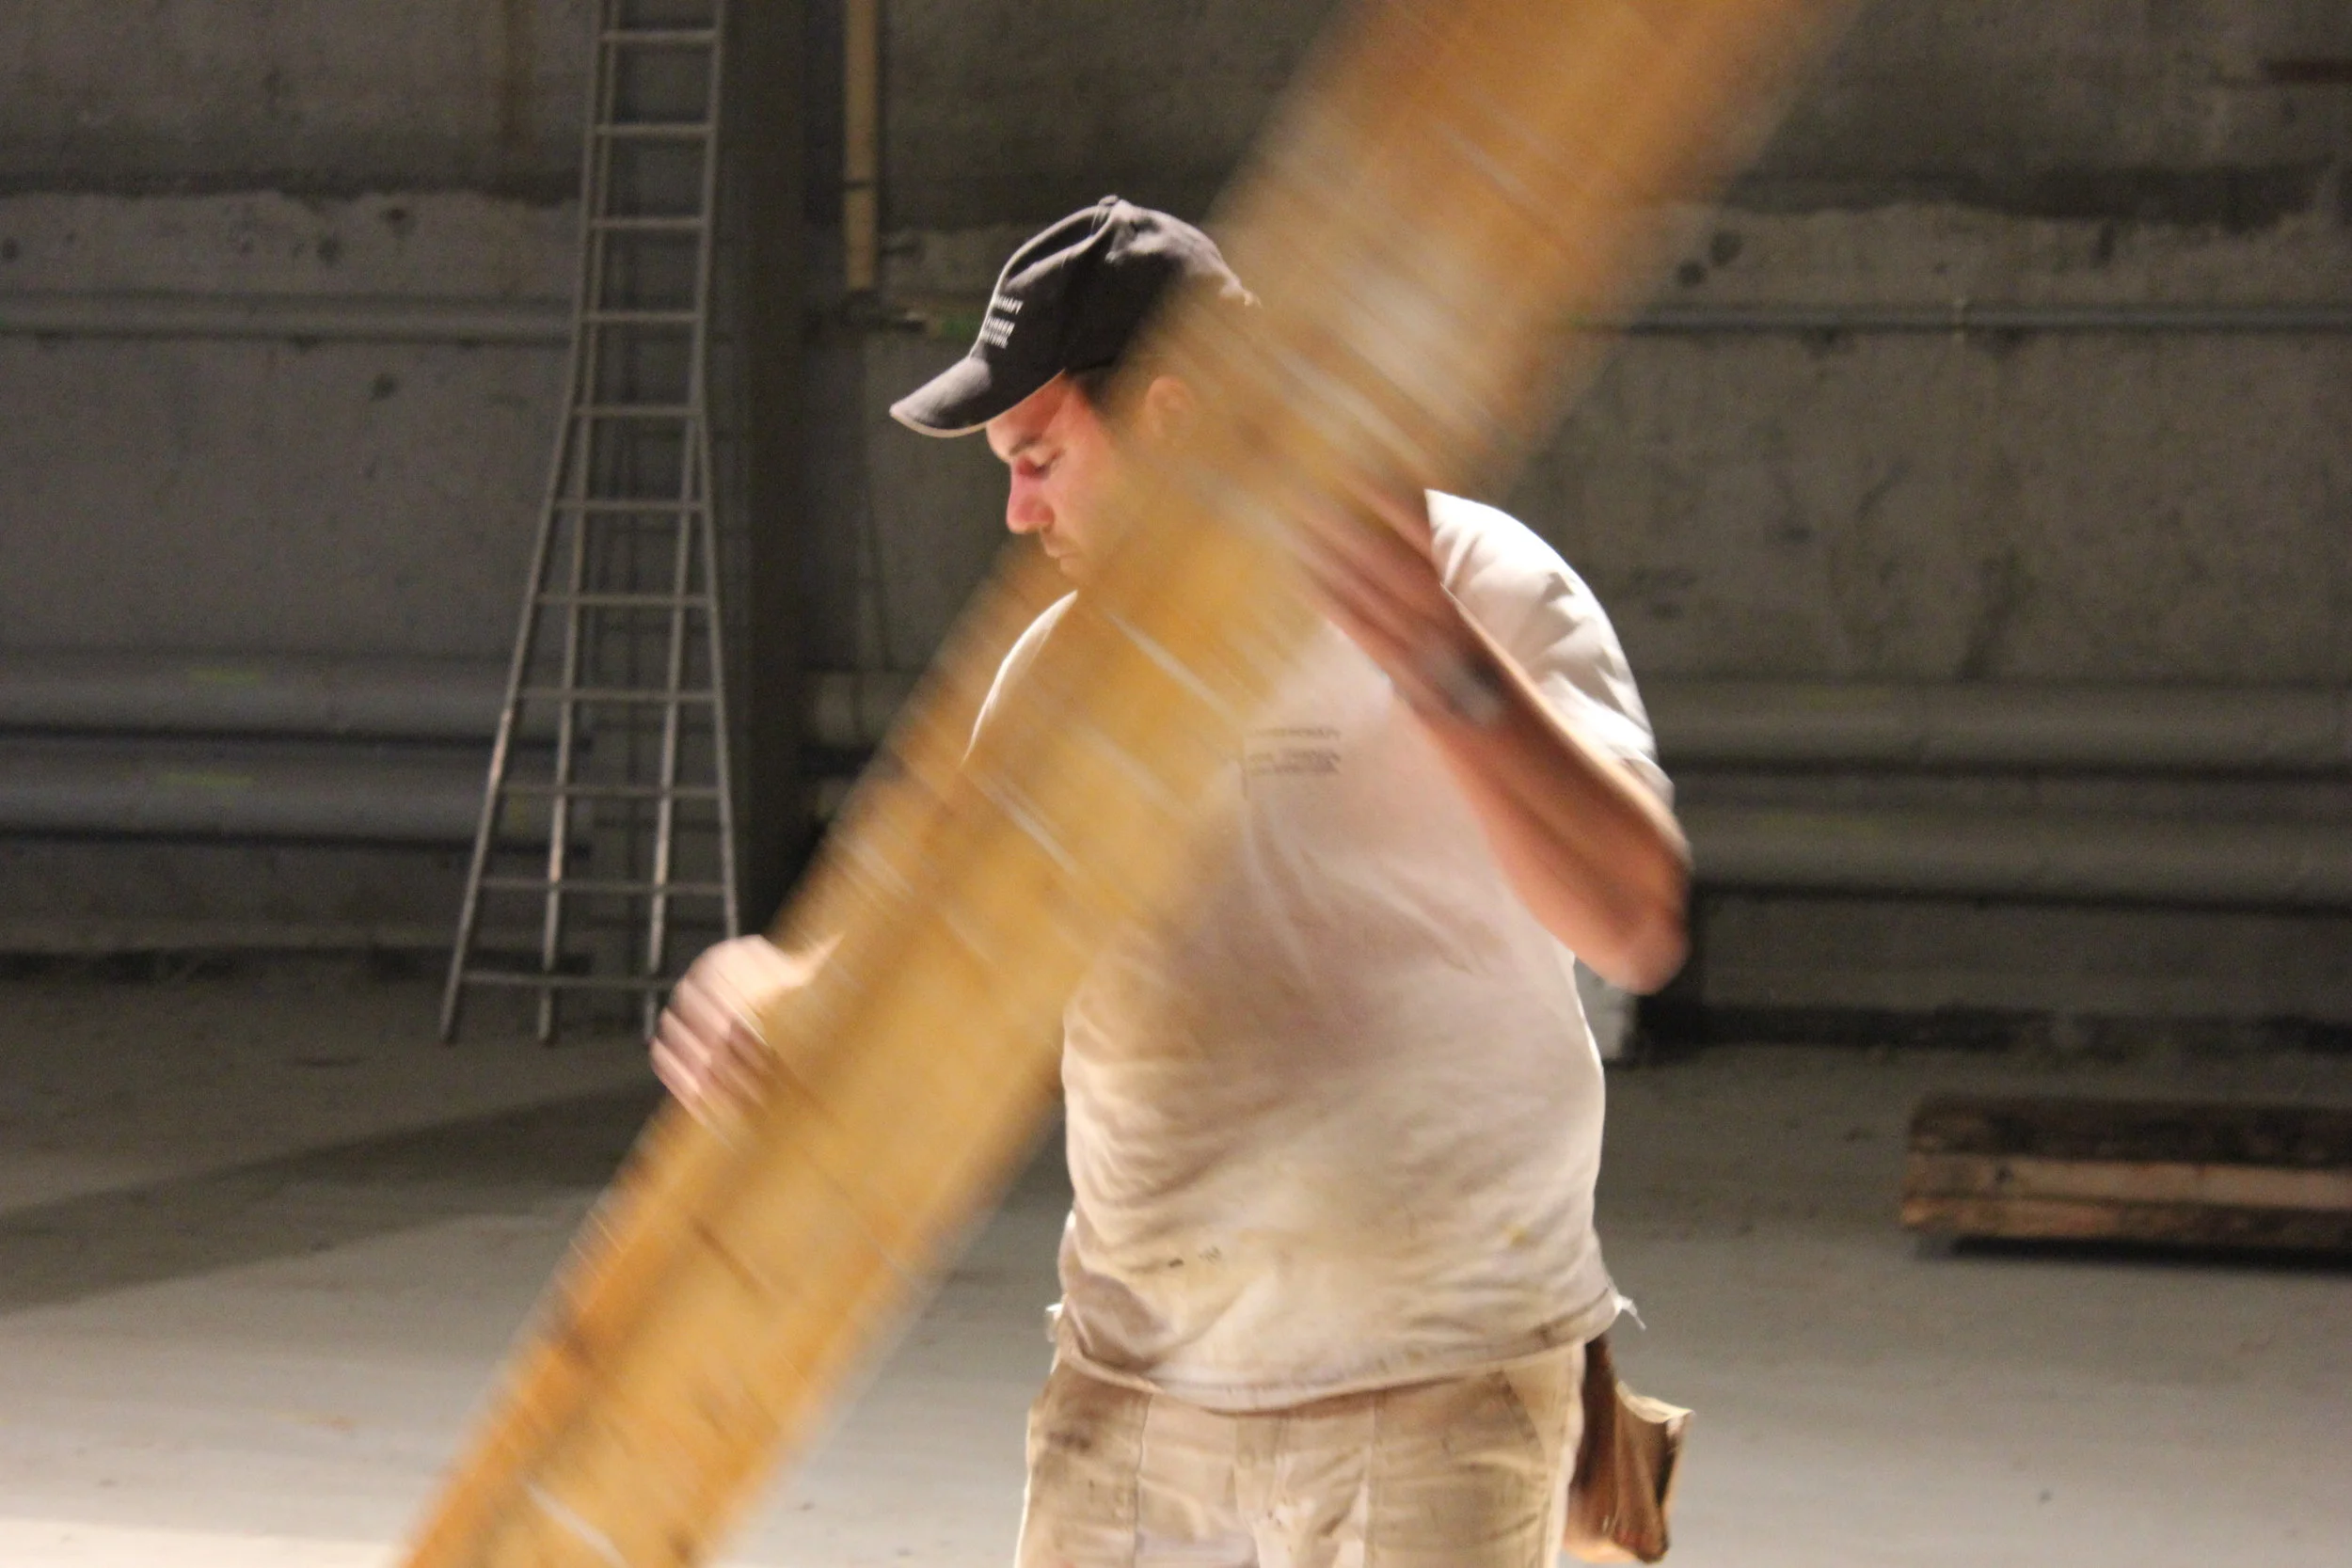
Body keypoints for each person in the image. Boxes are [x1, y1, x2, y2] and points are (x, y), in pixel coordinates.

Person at [652, 198, 1689, 1568]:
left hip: (1440, 1384)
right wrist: (792, 995)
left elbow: (1633, 920)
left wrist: (1433, 656)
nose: (1019, 511)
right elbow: (946, 941)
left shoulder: (1479, 582)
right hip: (1135, 1391)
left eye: (1039, 458)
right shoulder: (1059, 676)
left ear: (1175, 416)